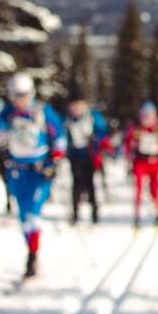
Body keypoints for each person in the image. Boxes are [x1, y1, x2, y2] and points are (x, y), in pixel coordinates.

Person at [0, 73, 66, 278]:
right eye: (16, 96)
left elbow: (59, 137)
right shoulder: (7, 115)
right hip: (17, 171)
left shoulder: (43, 112)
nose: (20, 100)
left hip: (39, 171)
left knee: (33, 214)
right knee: (24, 214)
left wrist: (54, 161)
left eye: (24, 95)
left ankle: (32, 256)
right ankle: (31, 248)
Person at [124, 101, 158, 227]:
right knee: (139, 188)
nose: (147, 119)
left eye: (150, 116)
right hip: (140, 162)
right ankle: (137, 215)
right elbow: (128, 145)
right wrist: (129, 155)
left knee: (155, 189)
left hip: (155, 163)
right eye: (144, 116)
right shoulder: (136, 129)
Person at [65, 95, 108, 224]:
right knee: (76, 185)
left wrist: (95, 139)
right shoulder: (68, 120)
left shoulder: (93, 116)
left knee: (89, 184)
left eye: (79, 105)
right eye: (74, 106)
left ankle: (94, 212)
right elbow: (62, 136)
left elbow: (103, 132)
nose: (76, 109)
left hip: (90, 156)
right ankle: (75, 213)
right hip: (74, 156)